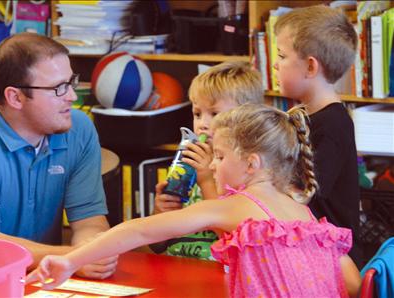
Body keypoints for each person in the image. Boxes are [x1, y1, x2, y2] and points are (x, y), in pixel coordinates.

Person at [27, 104, 361, 298]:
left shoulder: (235, 207)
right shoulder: (301, 211)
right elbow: (351, 280)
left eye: (219, 155)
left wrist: (69, 261)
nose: (213, 165)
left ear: (251, 164)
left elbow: (140, 231)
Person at [0, 33, 117, 279]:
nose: (72, 96)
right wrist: (69, 259)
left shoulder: (77, 128)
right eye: (59, 88)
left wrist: (91, 252)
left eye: (71, 82)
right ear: (15, 97)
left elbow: (89, 219)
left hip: (42, 278)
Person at [273, 5, 362, 267]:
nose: (275, 64)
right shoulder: (301, 115)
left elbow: (304, 192)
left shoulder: (334, 124)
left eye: (281, 55)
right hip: (304, 244)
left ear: (310, 67)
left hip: (332, 255)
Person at [150, 61, 264, 260]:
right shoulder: (189, 165)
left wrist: (206, 180)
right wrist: (161, 211)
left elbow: (233, 241)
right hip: (177, 269)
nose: (202, 124)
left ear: (247, 118)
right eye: (197, 114)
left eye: (215, 114)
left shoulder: (246, 174)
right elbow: (156, 245)